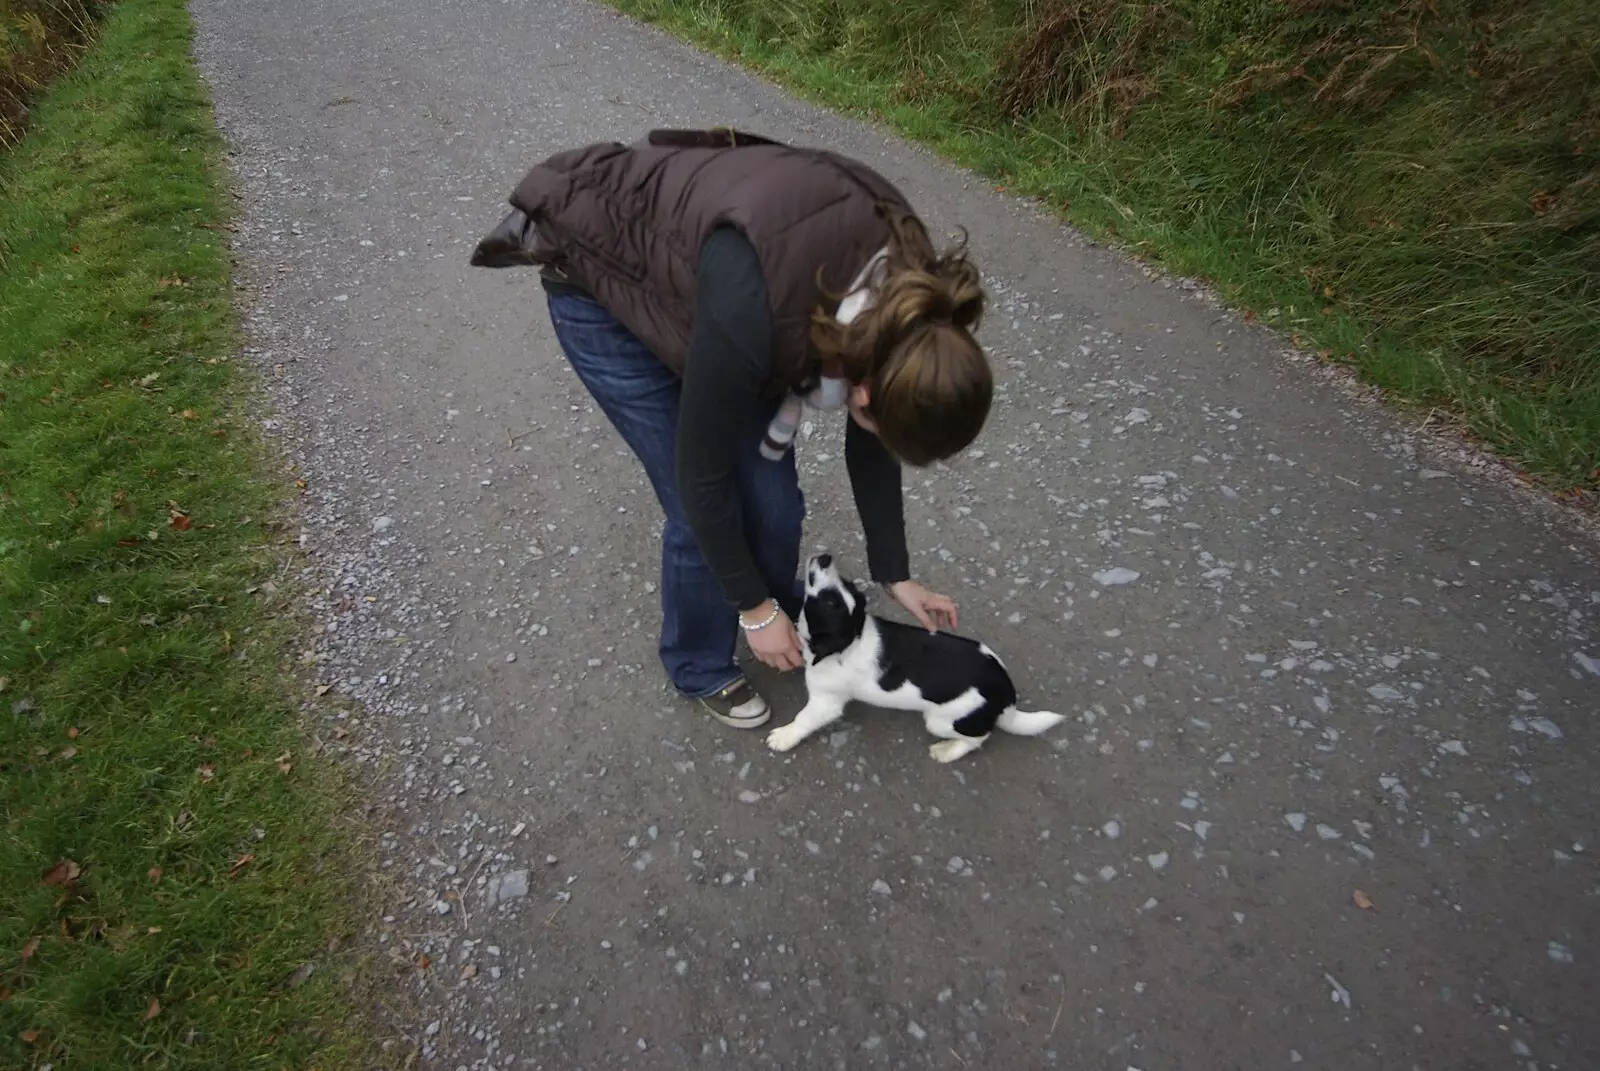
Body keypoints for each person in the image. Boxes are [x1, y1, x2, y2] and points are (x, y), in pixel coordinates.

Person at [472, 128, 994, 729]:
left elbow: (874, 440)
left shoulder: (912, 312)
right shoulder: (762, 312)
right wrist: (751, 609)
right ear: (868, 388)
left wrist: (895, 571)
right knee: (697, 511)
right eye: (877, 416)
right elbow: (702, 475)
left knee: (773, 505)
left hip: (717, 295)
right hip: (604, 291)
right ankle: (698, 662)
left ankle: (778, 617)